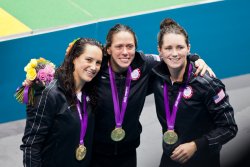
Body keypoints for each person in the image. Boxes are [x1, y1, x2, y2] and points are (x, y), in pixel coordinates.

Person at [91, 24, 215, 167]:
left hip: (128, 151)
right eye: (119, 46)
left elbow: (171, 57)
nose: (125, 52)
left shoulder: (145, 63)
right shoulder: (96, 68)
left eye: (130, 46)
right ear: (108, 49)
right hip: (94, 152)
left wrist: (195, 58)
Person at [151, 18, 238, 167]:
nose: (175, 53)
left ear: (188, 48)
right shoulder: (156, 76)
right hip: (170, 157)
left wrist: (196, 145)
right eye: (168, 48)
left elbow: (229, 127)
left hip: (203, 160)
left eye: (180, 47)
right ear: (159, 50)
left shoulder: (207, 83)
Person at [20, 38, 103, 167]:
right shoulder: (50, 94)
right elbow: (31, 146)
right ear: (74, 58)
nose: (93, 67)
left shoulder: (91, 92)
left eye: (98, 63)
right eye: (89, 60)